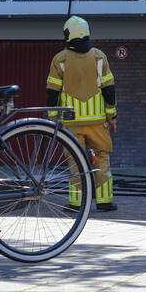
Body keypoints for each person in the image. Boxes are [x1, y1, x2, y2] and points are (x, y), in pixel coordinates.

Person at [46, 16, 118, 212]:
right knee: (102, 159)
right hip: (97, 122)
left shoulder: (60, 59)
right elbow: (109, 89)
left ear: (68, 34)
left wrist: (52, 120)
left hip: (71, 123)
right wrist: (112, 117)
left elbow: (52, 93)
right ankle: (105, 202)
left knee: (75, 162)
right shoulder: (99, 57)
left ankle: (76, 204)